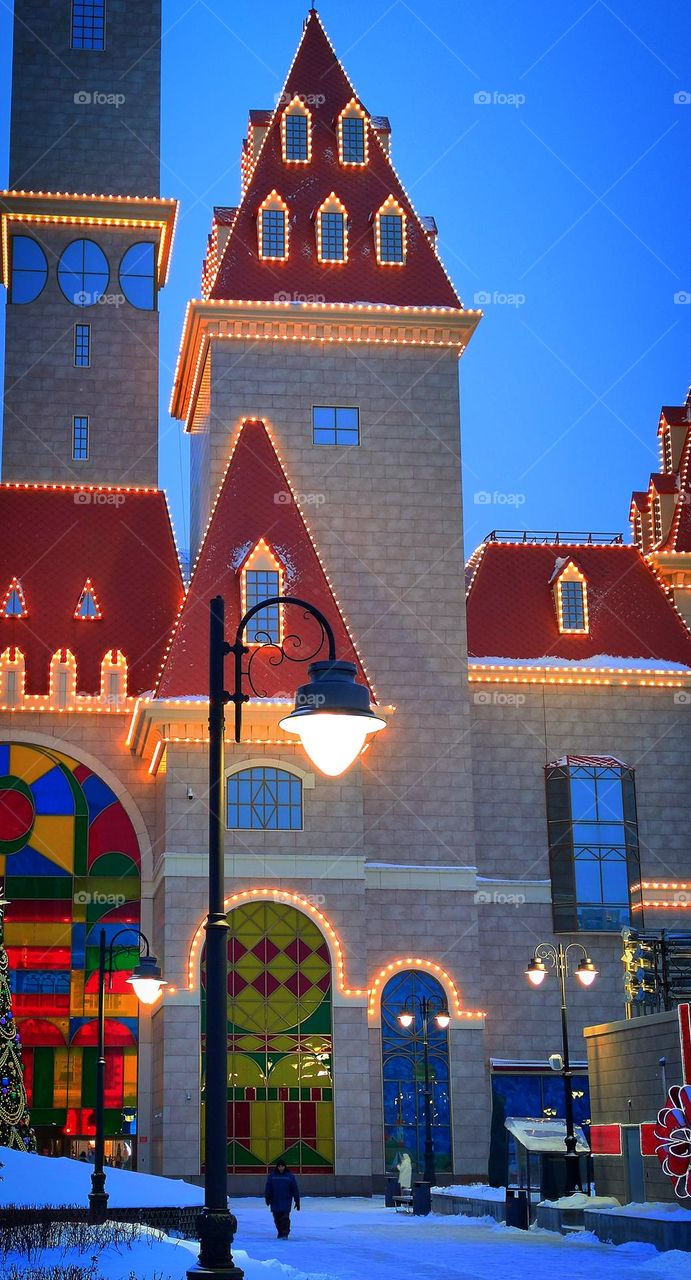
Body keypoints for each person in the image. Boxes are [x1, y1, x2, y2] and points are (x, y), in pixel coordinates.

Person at [264, 1159, 300, 1239]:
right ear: (277, 1167)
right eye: (279, 1166)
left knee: (285, 1218)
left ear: (285, 1167)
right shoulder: (272, 1176)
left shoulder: (289, 1176)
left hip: (286, 1201)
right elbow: (268, 1187)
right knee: (277, 1219)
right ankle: (280, 1232)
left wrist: (297, 1200)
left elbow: (294, 1189)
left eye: (282, 1166)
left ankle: (285, 1233)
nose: (281, 1168)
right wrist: (267, 1197)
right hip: (275, 1201)